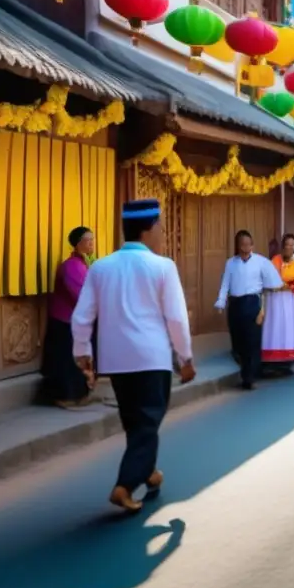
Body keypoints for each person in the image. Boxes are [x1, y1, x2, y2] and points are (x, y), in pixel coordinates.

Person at [72, 199, 195, 513]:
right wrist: (186, 357)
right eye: (161, 226)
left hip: (116, 361)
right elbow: (177, 318)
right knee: (147, 422)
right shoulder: (162, 266)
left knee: (136, 422)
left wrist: (83, 352)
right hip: (151, 359)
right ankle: (124, 486)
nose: (164, 233)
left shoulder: (101, 267)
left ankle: (149, 473)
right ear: (149, 228)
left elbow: (82, 316)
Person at [215, 230, 283, 389]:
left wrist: (267, 297)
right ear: (237, 246)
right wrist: (220, 301)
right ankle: (245, 370)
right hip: (235, 304)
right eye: (241, 244)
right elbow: (225, 283)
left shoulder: (261, 262)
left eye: (247, 244)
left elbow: (273, 282)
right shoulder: (230, 263)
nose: (245, 247)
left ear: (252, 245)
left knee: (252, 341)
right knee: (238, 341)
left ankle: (249, 377)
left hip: (253, 303)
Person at [41, 226, 95, 408]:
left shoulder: (85, 263)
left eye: (92, 239)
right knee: (66, 363)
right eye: (88, 240)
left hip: (77, 320)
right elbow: (80, 294)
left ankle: (79, 395)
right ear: (78, 243)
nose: (91, 243)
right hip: (65, 320)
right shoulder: (71, 265)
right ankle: (64, 397)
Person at [262, 233, 294, 375]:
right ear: (282, 246)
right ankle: (272, 361)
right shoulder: (275, 261)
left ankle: (291, 360)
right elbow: (271, 280)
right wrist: (283, 286)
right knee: (276, 327)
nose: (289, 248)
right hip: (276, 300)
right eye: (287, 245)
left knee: (290, 329)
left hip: (290, 301)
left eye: (292, 245)